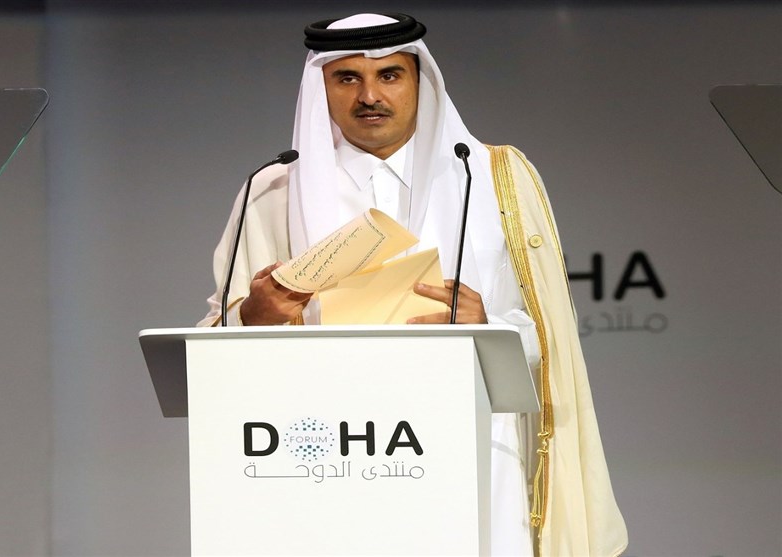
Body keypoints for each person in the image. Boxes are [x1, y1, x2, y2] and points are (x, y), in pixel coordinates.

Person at [199, 13, 627, 556]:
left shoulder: (494, 177)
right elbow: (211, 336)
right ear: (320, 87)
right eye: (347, 78)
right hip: (325, 455)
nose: (369, 96)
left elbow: (548, 335)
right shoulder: (273, 189)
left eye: (390, 75)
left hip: (473, 442)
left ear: (421, 80)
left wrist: (487, 325)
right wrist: (251, 317)